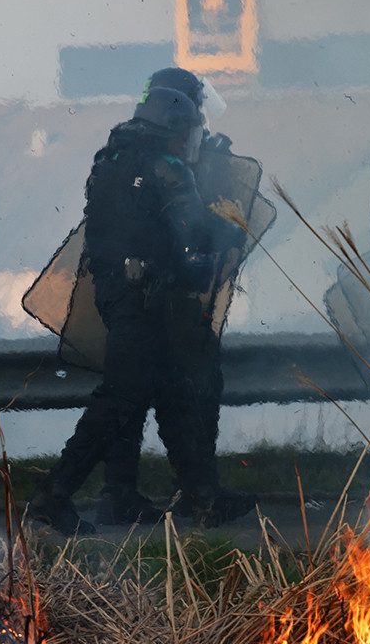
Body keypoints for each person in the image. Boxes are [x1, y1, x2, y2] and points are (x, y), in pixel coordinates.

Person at [28, 86, 255, 534]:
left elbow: (139, 229)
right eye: (187, 134)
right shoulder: (166, 166)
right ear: (175, 132)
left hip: (118, 290)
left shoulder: (112, 158)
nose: (189, 143)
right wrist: (230, 230)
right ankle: (52, 497)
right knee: (119, 399)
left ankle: (203, 496)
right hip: (142, 299)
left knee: (173, 390)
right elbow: (192, 226)